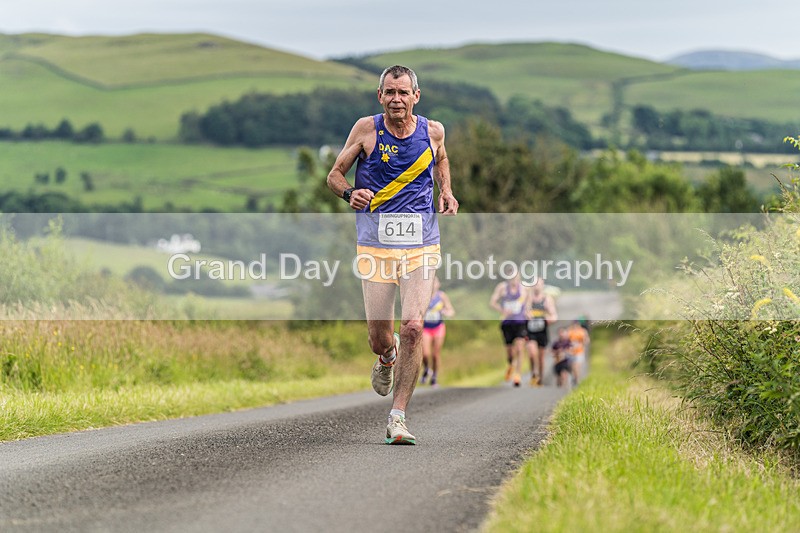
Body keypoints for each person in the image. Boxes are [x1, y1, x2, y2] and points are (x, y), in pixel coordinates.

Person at [326, 65, 458, 445]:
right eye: (389, 93)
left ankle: (397, 417)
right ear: (379, 96)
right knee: (379, 337)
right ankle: (387, 356)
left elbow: (442, 158)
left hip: (421, 243)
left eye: (403, 93)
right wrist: (350, 193)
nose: (396, 99)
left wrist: (445, 191)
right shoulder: (366, 130)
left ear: (417, 96)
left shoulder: (433, 131)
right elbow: (334, 174)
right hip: (376, 245)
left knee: (414, 325)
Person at [489, 273, 528, 387]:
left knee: (520, 348)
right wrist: (502, 310)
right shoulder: (502, 288)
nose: (514, 280)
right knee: (510, 352)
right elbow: (492, 302)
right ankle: (511, 364)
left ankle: (517, 374)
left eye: (516, 278)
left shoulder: (524, 289)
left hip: (520, 322)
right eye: (512, 278)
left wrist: (527, 311)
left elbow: (527, 302)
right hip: (507, 322)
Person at [420, 276, 455, 387]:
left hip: (438, 327)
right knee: (425, 354)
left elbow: (451, 311)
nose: (433, 284)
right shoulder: (422, 295)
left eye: (435, 281)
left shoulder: (442, 296)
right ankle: (426, 369)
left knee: (435, 354)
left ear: (438, 284)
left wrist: (445, 312)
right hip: (425, 328)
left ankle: (434, 377)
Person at [525, 278, 558, 386]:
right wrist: (527, 315)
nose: (536, 287)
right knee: (532, 353)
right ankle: (533, 375)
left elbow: (554, 316)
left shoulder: (546, 299)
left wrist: (548, 319)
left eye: (538, 284)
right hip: (530, 331)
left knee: (541, 358)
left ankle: (540, 378)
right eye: (534, 284)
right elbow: (522, 312)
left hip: (542, 331)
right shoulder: (528, 298)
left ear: (542, 285)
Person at [567, 320, 590, 386]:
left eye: (576, 325)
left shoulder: (582, 331)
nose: (575, 326)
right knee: (573, 367)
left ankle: (577, 380)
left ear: (579, 325)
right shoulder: (569, 331)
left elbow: (587, 340)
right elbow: (566, 341)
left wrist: (584, 342)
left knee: (577, 366)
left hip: (580, 351)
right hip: (571, 352)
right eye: (574, 325)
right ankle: (575, 378)